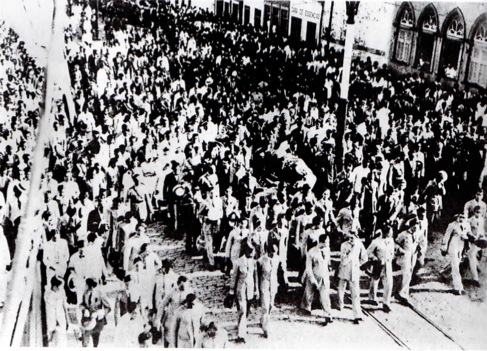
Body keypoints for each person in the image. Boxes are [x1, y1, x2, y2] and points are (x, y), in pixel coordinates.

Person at [228, 241, 258, 343]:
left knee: (246, 312)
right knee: (242, 310)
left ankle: (241, 326)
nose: (252, 252)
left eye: (253, 251)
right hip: (240, 290)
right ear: (245, 250)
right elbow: (234, 277)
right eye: (250, 250)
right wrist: (231, 291)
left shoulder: (254, 262)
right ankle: (241, 335)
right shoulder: (238, 262)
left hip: (250, 290)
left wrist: (256, 290)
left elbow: (256, 277)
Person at [301, 233, 333, 322]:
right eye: (328, 241)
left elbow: (327, 262)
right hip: (314, 275)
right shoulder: (311, 252)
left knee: (325, 296)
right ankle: (306, 307)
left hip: (324, 276)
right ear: (322, 242)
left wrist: (329, 268)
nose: (329, 243)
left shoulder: (327, 250)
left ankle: (328, 314)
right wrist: (312, 280)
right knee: (309, 293)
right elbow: (308, 268)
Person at [337, 230, 368, 324]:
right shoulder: (344, 245)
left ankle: (357, 314)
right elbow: (343, 260)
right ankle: (340, 303)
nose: (351, 239)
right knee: (341, 288)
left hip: (354, 271)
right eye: (349, 237)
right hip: (344, 269)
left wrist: (358, 264)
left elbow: (365, 257)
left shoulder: (359, 244)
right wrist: (350, 253)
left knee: (355, 293)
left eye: (353, 237)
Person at [158, 275, 192, 347]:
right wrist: (159, 319)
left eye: (186, 285)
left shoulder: (187, 293)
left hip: (181, 321)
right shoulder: (172, 292)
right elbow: (162, 305)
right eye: (183, 285)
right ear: (179, 283)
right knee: (169, 341)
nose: (184, 287)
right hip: (170, 320)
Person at [441, 214, 471, 295]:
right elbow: (446, 236)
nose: (461, 218)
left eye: (463, 217)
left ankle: (443, 272)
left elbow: (469, 234)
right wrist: (444, 247)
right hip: (453, 246)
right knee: (455, 267)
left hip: (461, 246)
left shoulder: (467, 225)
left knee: (456, 264)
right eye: (460, 217)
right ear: (457, 217)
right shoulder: (452, 225)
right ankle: (458, 288)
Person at [366, 227, 394, 312]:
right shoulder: (376, 242)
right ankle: (372, 298)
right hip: (378, 264)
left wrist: (391, 257)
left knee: (389, 283)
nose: (391, 234)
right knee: (375, 280)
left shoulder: (391, 241)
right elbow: (368, 252)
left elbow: (392, 251)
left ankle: (386, 303)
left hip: (388, 264)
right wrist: (374, 258)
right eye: (390, 232)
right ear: (385, 233)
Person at [257, 242, 280, 338]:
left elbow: (278, 272)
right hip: (264, 284)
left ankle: (263, 320)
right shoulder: (261, 260)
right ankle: (266, 329)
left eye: (275, 252)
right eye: (272, 252)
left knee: (270, 305)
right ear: (268, 251)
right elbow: (257, 275)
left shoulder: (277, 259)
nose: (274, 254)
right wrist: (257, 289)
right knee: (265, 306)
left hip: (273, 284)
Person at [80, 277, 111, 347]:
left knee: (95, 341)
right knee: (84, 342)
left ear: (89, 285)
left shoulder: (99, 293)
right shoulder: (85, 293)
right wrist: (83, 308)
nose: (85, 286)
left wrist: (100, 313)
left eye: (86, 285)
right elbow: (83, 304)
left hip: (97, 321)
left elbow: (108, 308)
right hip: (87, 321)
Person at [395, 218, 419, 301]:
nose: (416, 228)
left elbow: (416, 244)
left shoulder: (416, 235)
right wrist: (401, 250)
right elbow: (396, 243)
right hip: (405, 257)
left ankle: (404, 292)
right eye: (415, 226)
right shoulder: (403, 234)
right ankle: (401, 293)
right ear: (411, 226)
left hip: (413, 256)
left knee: (409, 274)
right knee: (406, 274)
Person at [45, 276, 68, 347]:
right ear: (54, 287)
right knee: (53, 341)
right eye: (59, 287)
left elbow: (64, 306)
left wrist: (66, 320)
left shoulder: (60, 292)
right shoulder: (49, 295)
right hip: (53, 321)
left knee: (61, 340)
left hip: (60, 320)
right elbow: (54, 309)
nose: (60, 288)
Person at [467, 206, 485, 287]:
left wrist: (482, 236)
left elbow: (482, 230)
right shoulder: (470, 220)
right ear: (474, 212)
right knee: (471, 255)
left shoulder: (482, 220)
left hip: (480, 241)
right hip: (472, 241)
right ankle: (475, 279)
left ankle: (477, 267)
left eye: (480, 212)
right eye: (477, 212)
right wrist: (473, 238)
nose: (478, 214)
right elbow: (468, 231)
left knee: (474, 256)